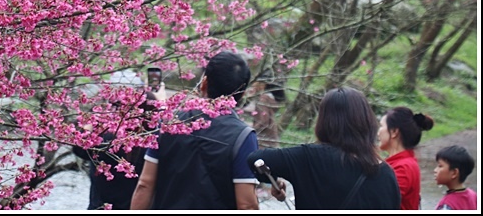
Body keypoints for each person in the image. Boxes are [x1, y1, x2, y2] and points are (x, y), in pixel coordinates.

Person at [130, 51, 259, 210]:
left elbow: (145, 184)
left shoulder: (169, 122)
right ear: (242, 94)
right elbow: (247, 205)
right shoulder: (244, 137)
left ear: (204, 83)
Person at [247, 87, 401, 210]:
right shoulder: (386, 175)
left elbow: (255, 159)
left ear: (324, 122)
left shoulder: (308, 158)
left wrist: (273, 180)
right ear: (367, 122)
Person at [378, 106, 434, 209]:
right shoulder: (403, 162)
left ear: (394, 131)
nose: (378, 132)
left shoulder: (403, 167)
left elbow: (379, 202)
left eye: (381, 126)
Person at [434, 145, 477, 210]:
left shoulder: (446, 205)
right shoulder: (473, 195)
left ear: (454, 173)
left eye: (440, 166)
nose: (435, 170)